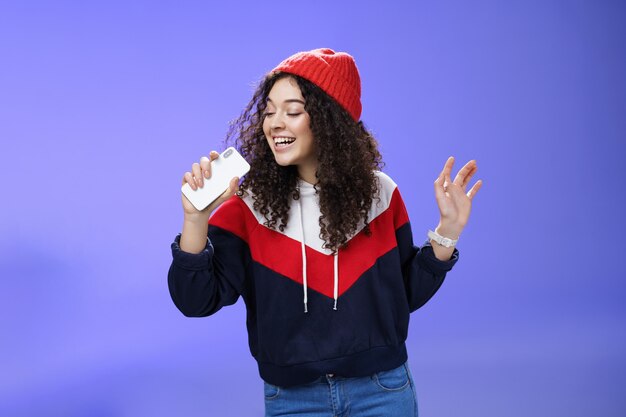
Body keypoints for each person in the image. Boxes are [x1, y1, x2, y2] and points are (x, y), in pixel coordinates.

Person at [168, 48, 482, 417]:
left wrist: (448, 230)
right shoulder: (247, 207)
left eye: (293, 111)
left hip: (382, 391)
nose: (275, 123)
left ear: (329, 119)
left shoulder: (380, 194)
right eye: (269, 111)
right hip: (292, 401)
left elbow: (402, 295)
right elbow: (195, 301)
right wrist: (195, 218)